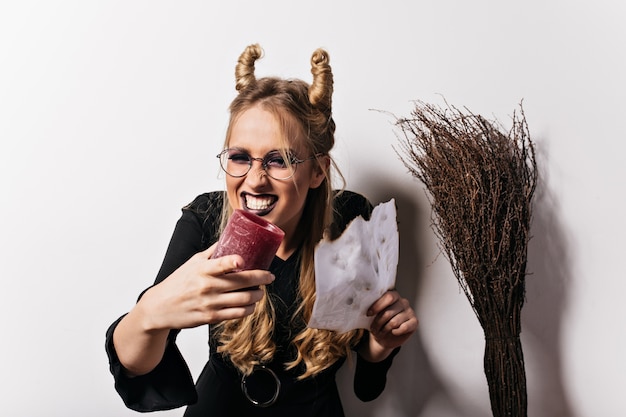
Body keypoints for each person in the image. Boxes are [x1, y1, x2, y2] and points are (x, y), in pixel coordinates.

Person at [105, 43, 418, 417]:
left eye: (279, 160)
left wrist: (381, 344)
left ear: (318, 170)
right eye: (239, 157)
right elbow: (136, 369)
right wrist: (151, 313)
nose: (254, 180)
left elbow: (367, 388)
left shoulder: (350, 221)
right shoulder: (206, 219)